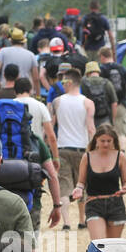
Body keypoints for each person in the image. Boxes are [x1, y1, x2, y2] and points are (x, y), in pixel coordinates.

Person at [12, 76, 63, 231]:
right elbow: (51, 135)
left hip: (12, 155)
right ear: (31, 90)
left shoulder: (10, 105)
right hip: (35, 156)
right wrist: (54, 156)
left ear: (15, 90)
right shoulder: (39, 105)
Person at [52, 68, 96, 229]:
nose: (62, 84)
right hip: (81, 149)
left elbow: (51, 126)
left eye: (63, 82)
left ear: (69, 82)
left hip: (62, 147)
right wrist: (94, 149)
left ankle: (66, 223)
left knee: (64, 185)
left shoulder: (57, 102)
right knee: (81, 183)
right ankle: (82, 219)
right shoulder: (88, 103)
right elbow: (91, 128)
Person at [71, 124, 126, 240]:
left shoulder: (120, 156)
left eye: (109, 141)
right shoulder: (87, 157)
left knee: (113, 247)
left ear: (114, 141)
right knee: (99, 244)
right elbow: (81, 182)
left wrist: (125, 188)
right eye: (102, 141)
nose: (106, 144)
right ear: (96, 140)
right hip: (94, 204)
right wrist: (79, 189)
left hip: (116, 204)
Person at [98, 46, 126, 136]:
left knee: (107, 133)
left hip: (107, 107)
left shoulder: (101, 70)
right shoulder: (122, 68)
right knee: (121, 134)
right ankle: (123, 150)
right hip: (121, 105)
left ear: (102, 56)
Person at [80, 60, 118, 130]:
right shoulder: (107, 83)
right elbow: (114, 103)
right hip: (105, 119)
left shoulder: (83, 85)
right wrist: (112, 121)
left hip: (88, 120)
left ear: (87, 73)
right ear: (98, 71)